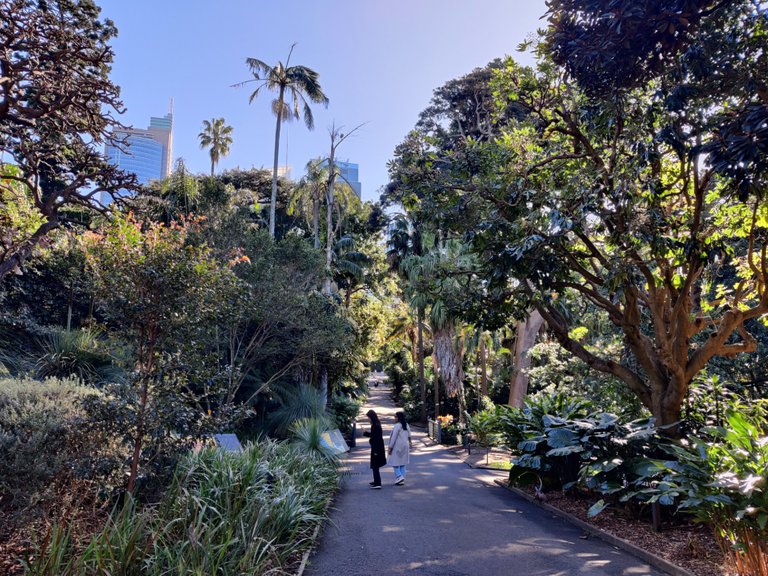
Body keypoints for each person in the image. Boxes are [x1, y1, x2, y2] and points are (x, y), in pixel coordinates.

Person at [387, 411, 413, 485]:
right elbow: (409, 435)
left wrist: (390, 447)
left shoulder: (397, 426)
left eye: (395, 416)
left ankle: (399, 476)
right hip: (405, 445)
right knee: (402, 463)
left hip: (397, 446)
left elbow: (393, 437)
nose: (394, 418)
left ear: (398, 418)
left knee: (394, 462)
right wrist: (410, 443)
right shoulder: (406, 424)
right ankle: (401, 479)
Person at [366, 409, 386, 489]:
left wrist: (375, 451)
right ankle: (376, 481)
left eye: (368, 417)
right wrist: (366, 433)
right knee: (375, 466)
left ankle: (378, 483)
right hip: (376, 447)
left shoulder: (376, 425)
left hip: (376, 448)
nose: (368, 419)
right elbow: (373, 435)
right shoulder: (376, 424)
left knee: (375, 466)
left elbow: (376, 438)